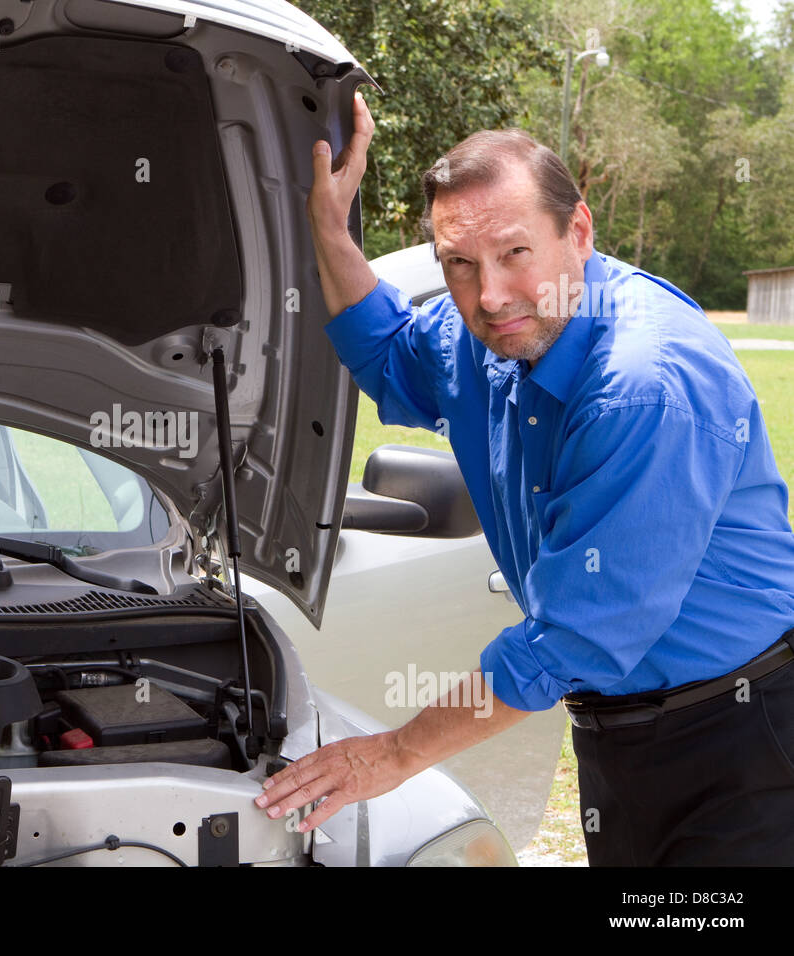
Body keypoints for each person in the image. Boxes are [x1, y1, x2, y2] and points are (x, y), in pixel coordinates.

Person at [254, 90, 794, 865]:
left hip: (742, 741)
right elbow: (388, 356)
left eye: (514, 253)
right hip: (619, 732)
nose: (490, 295)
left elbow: (575, 634)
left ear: (577, 231)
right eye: (459, 266)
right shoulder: (483, 333)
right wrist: (329, 229)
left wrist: (395, 753)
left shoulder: (644, 386)